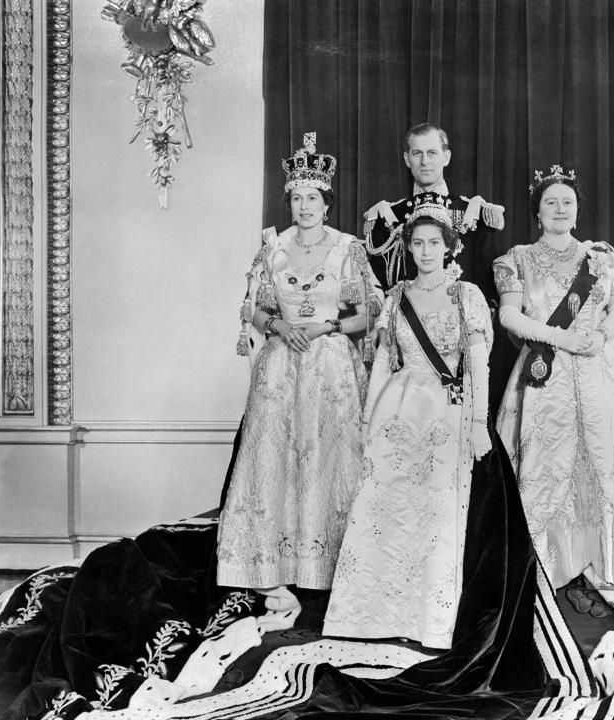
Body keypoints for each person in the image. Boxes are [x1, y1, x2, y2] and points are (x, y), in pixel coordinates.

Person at [493, 165, 614, 636]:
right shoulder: (518, 259)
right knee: (544, 472)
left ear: (578, 208)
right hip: (544, 376)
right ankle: (541, 582)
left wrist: (605, 332)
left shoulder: (603, 258)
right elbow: (510, 316)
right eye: (551, 202)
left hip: (598, 373)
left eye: (567, 201)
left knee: (611, 472)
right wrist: (561, 338)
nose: (560, 209)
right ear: (538, 210)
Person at [216, 132, 381, 623]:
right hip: (281, 369)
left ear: (326, 203)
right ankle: (274, 570)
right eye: (297, 197)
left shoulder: (348, 249)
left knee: (331, 459)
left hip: (330, 367)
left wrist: (328, 325)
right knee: (275, 459)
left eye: (313, 197)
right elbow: (254, 309)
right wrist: (279, 325)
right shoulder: (272, 247)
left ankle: (332, 568)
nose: (304, 205)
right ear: (288, 200)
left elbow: (371, 310)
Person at [323, 195, 494, 649]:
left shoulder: (467, 296)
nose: (424, 251)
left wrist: (479, 422)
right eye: (417, 243)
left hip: (446, 411)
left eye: (433, 243)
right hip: (397, 409)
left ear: (448, 246)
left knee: (435, 512)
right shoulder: (397, 297)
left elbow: (479, 363)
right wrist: (366, 419)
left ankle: (427, 621)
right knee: (384, 508)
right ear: (408, 247)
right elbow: (383, 360)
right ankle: (367, 615)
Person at [364, 123, 505, 299]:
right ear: (407, 159)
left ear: (446, 157)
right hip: (403, 322)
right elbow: (380, 293)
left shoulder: (475, 215)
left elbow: (487, 292)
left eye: (432, 153)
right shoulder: (387, 217)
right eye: (417, 153)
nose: (425, 161)